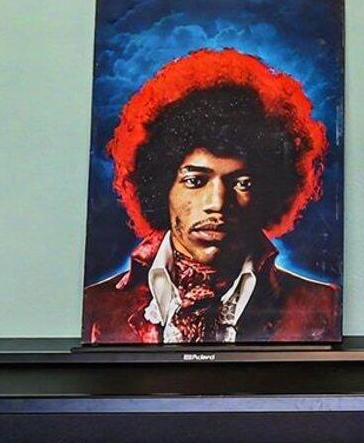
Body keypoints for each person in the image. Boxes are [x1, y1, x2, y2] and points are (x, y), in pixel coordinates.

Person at [83, 48, 340, 344]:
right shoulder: (94, 310)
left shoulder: (324, 309)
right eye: (195, 181)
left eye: (242, 183)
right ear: (160, 186)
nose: (217, 203)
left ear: (269, 192)